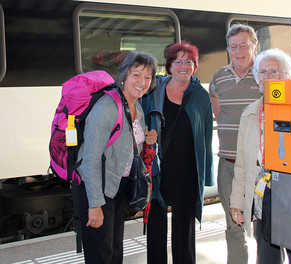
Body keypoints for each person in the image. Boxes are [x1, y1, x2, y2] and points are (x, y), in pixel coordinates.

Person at [76, 51, 158, 264]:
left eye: (147, 77)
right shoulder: (107, 107)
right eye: (136, 75)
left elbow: (129, 142)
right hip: (98, 189)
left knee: (114, 253)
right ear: (124, 75)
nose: (142, 82)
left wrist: (147, 137)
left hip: (118, 187)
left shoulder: (135, 105)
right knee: (101, 256)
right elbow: (90, 159)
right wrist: (95, 205)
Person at [229, 48, 291, 264]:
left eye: (274, 71)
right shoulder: (250, 113)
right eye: (262, 72)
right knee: (267, 256)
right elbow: (243, 164)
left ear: (288, 76)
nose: (267, 77)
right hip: (264, 195)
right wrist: (237, 200)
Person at [142, 41, 214, 264]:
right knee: (156, 229)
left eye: (189, 61)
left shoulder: (200, 96)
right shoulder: (154, 92)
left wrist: (207, 173)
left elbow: (207, 136)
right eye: (178, 61)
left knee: (184, 232)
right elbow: (140, 123)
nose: (184, 66)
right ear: (169, 65)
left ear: (195, 66)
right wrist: (146, 137)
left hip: (187, 171)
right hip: (158, 169)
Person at [209, 23, 261, 263]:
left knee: (264, 229)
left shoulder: (264, 74)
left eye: (243, 45)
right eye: (233, 47)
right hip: (228, 164)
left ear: (254, 46)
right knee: (234, 226)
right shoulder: (219, 76)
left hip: (259, 168)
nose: (238, 51)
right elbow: (218, 111)